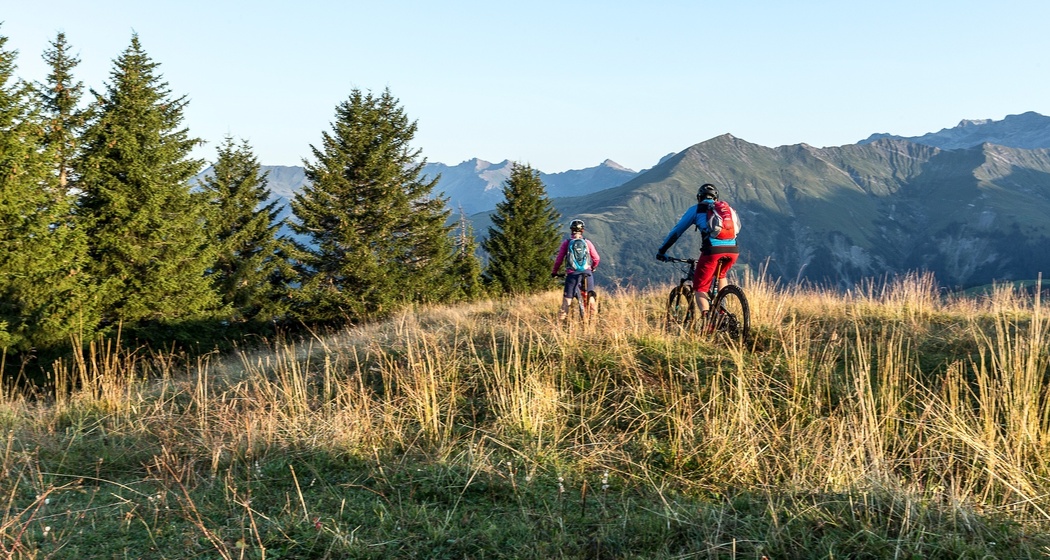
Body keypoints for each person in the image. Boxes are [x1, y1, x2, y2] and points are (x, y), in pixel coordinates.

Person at [655, 183, 741, 313]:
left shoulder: (697, 209)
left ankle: (709, 325)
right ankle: (722, 311)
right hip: (733, 250)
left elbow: (676, 232)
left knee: (700, 288)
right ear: (716, 198)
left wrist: (662, 251)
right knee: (721, 274)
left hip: (712, 251)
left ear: (699, 197)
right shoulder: (728, 210)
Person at [552, 219, 601, 322]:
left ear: (571, 230)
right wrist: (592, 268)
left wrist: (554, 272)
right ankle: (593, 325)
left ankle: (558, 327)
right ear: (582, 230)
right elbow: (596, 258)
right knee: (591, 299)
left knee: (566, 302)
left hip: (572, 274)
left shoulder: (567, 243)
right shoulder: (587, 242)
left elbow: (559, 260)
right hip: (587, 273)